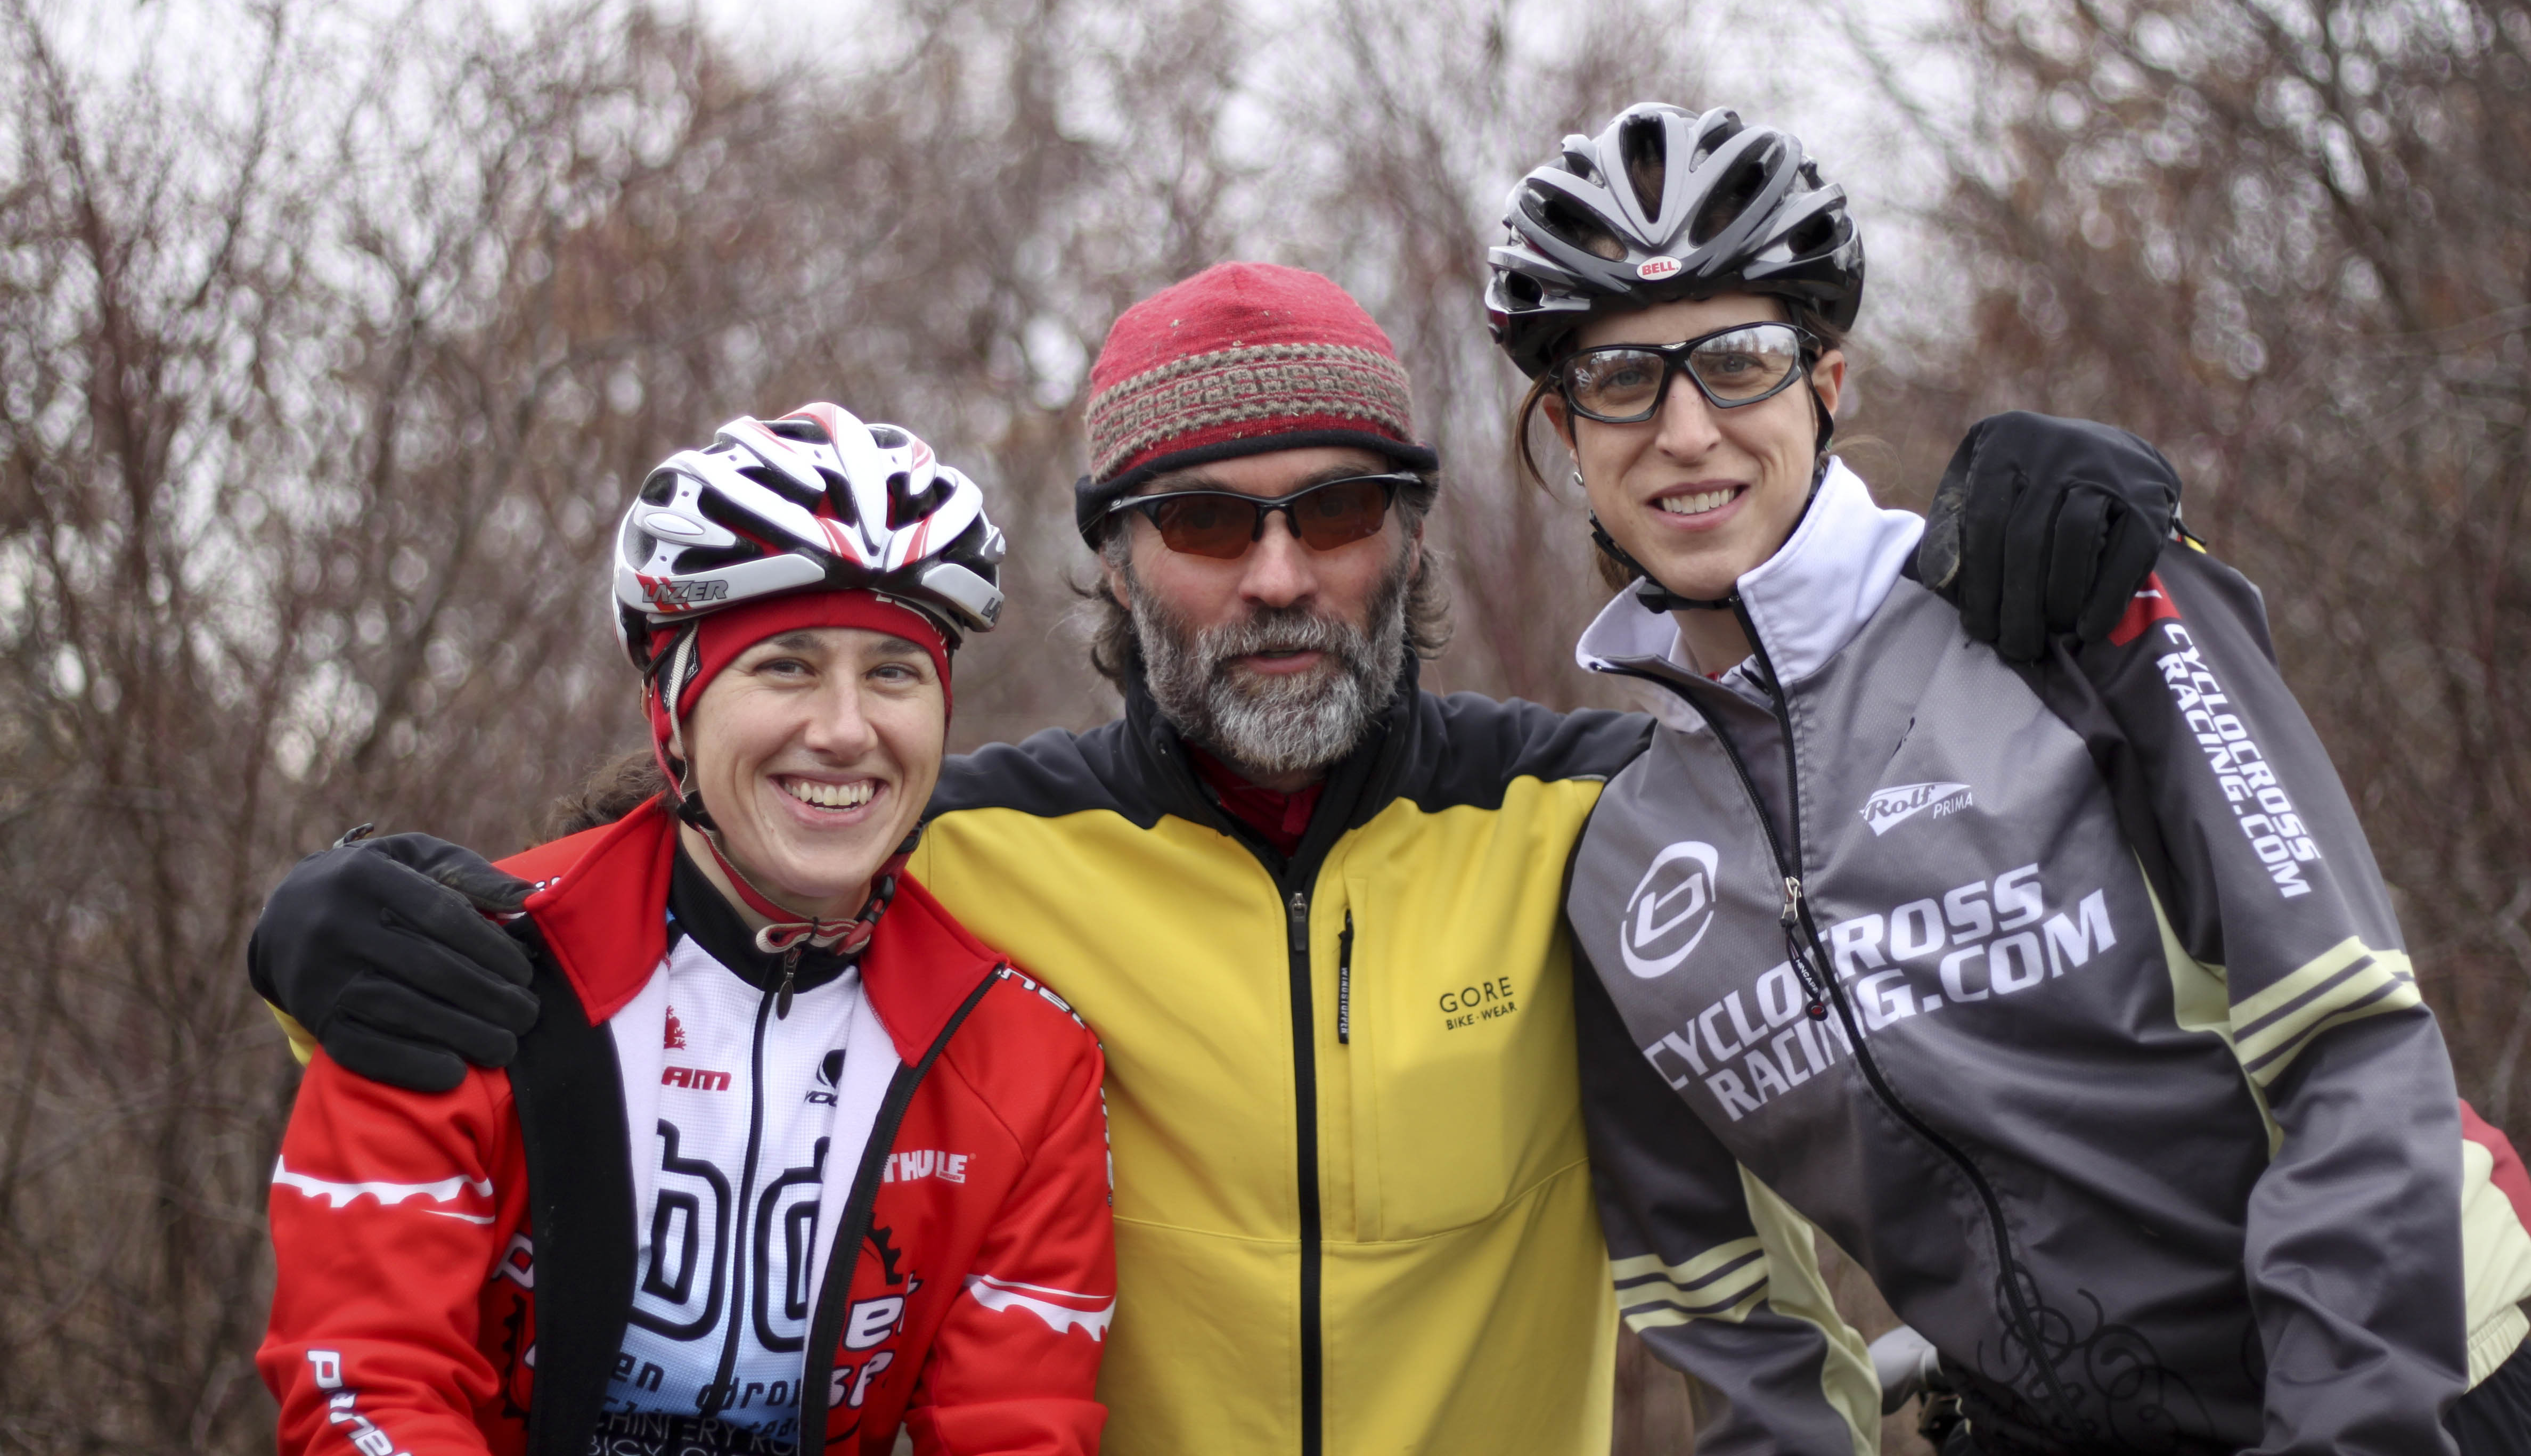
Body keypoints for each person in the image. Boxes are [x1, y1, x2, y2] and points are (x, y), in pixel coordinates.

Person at [249, 264, 2186, 1454]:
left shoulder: (1595, 817)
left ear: (1409, 536)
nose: (1276, 574)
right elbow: (644, 902)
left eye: (1335, 508)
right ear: (1111, 555)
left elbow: (1938, 863)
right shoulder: (972, 841)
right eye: (1200, 520)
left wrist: (2020, 563)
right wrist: (329, 917)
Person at [1489, 101, 2531, 1454]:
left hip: (2425, 1382)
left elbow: (2351, 1040)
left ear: (1827, 382)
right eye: (1623, 378)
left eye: (1738, 361)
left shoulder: (2072, 599)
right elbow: (1727, 1313)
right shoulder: (1619, 862)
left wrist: (2349, 1427)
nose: (1685, 431)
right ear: (1568, 432)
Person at [257, 405, 1116, 1456]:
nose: (846, 731)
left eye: (893, 673)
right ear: (674, 715)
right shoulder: (463, 970)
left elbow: (1013, 1433)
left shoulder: (1025, 1061)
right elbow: (366, 1388)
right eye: (786, 667)